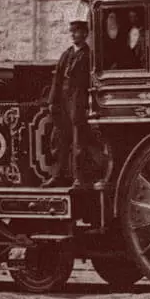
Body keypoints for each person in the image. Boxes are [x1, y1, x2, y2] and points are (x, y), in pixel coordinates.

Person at [45, 20, 98, 189]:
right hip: (63, 102)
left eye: (76, 32)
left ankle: (79, 178)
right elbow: (57, 79)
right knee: (61, 140)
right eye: (72, 32)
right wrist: (52, 101)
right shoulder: (66, 54)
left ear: (85, 34)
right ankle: (57, 175)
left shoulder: (89, 56)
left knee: (78, 142)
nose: (73, 35)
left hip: (79, 101)